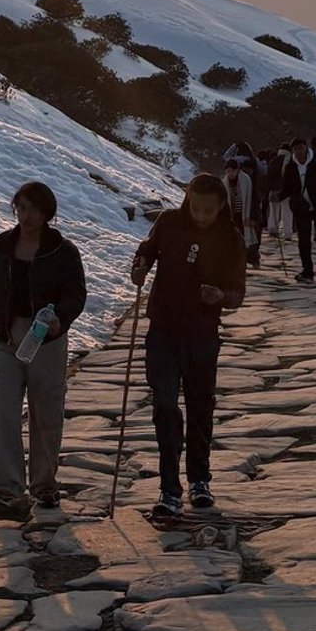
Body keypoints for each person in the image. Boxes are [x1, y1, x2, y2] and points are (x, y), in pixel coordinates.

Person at [0, 181, 87, 520]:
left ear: (47, 212)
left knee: (46, 412)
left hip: (46, 340)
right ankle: (8, 488)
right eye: (22, 208)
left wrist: (60, 318)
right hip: (6, 339)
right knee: (1, 408)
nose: (27, 216)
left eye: (34, 209)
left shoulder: (62, 252)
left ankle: (44, 484)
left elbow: (76, 294)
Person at [130, 172, 247, 518]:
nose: (201, 216)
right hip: (163, 330)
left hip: (202, 334)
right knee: (165, 405)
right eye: (196, 208)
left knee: (200, 407)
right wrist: (140, 267)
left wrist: (220, 296)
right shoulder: (169, 222)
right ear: (188, 201)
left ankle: (199, 480)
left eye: (208, 210)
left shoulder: (230, 238)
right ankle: (169, 488)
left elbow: (238, 292)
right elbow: (147, 251)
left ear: (221, 206)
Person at [280, 135, 316, 282]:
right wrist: (278, 196)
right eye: (295, 149)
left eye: (301, 148)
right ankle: (307, 271)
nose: (299, 151)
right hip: (301, 207)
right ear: (292, 150)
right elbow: (287, 187)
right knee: (303, 240)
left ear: (306, 147)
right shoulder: (290, 166)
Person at [221, 147, 259, 267]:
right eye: (228, 171)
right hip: (233, 215)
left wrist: (253, 216)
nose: (230, 174)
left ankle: (253, 259)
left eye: (232, 171)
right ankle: (237, 260)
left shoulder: (246, 180)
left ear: (237, 170)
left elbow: (253, 199)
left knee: (249, 238)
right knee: (234, 238)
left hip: (245, 213)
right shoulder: (224, 183)